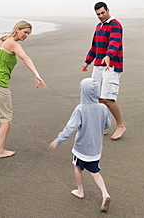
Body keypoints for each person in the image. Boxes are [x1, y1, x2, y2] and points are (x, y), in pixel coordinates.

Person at [0, 20, 47, 159]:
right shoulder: (13, 44)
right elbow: (26, 58)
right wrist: (37, 75)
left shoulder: (2, 40)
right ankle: (0, 150)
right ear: (17, 29)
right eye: (25, 32)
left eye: (28, 34)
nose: (26, 35)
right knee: (6, 118)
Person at [50, 78, 112, 213]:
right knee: (95, 172)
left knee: (77, 167)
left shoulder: (80, 109)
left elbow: (70, 128)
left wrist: (58, 140)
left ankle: (80, 190)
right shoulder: (103, 108)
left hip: (81, 149)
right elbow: (107, 125)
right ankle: (105, 193)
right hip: (96, 149)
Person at [81, 1, 126, 140]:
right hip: (98, 65)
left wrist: (109, 55)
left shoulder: (115, 25)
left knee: (108, 98)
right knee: (98, 97)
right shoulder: (99, 26)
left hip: (111, 65)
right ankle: (104, 124)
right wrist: (87, 61)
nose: (101, 16)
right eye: (98, 14)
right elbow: (94, 46)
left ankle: (120, 125)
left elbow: (114, 41)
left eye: (103, 13)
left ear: (108, 10)